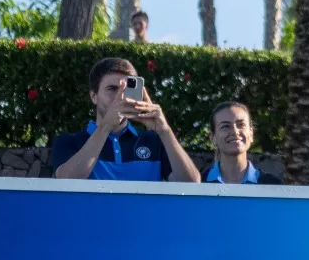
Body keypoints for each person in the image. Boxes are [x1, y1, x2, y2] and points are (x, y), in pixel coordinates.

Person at [51, 57, 200, 183]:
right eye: (112, 89)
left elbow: (191, 184)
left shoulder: (154, 141)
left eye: (127, 89)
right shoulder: (69, 141)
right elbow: (67, 181)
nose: (120, 97)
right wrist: (105, 128)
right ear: (93, 96)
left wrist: (164, 131)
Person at [204, 102, 282, 185]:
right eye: (225, 126)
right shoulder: (199, 184)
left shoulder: (272, 185)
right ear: (213, 137)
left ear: (251, 134)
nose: (235, 132)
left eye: (241, 125)